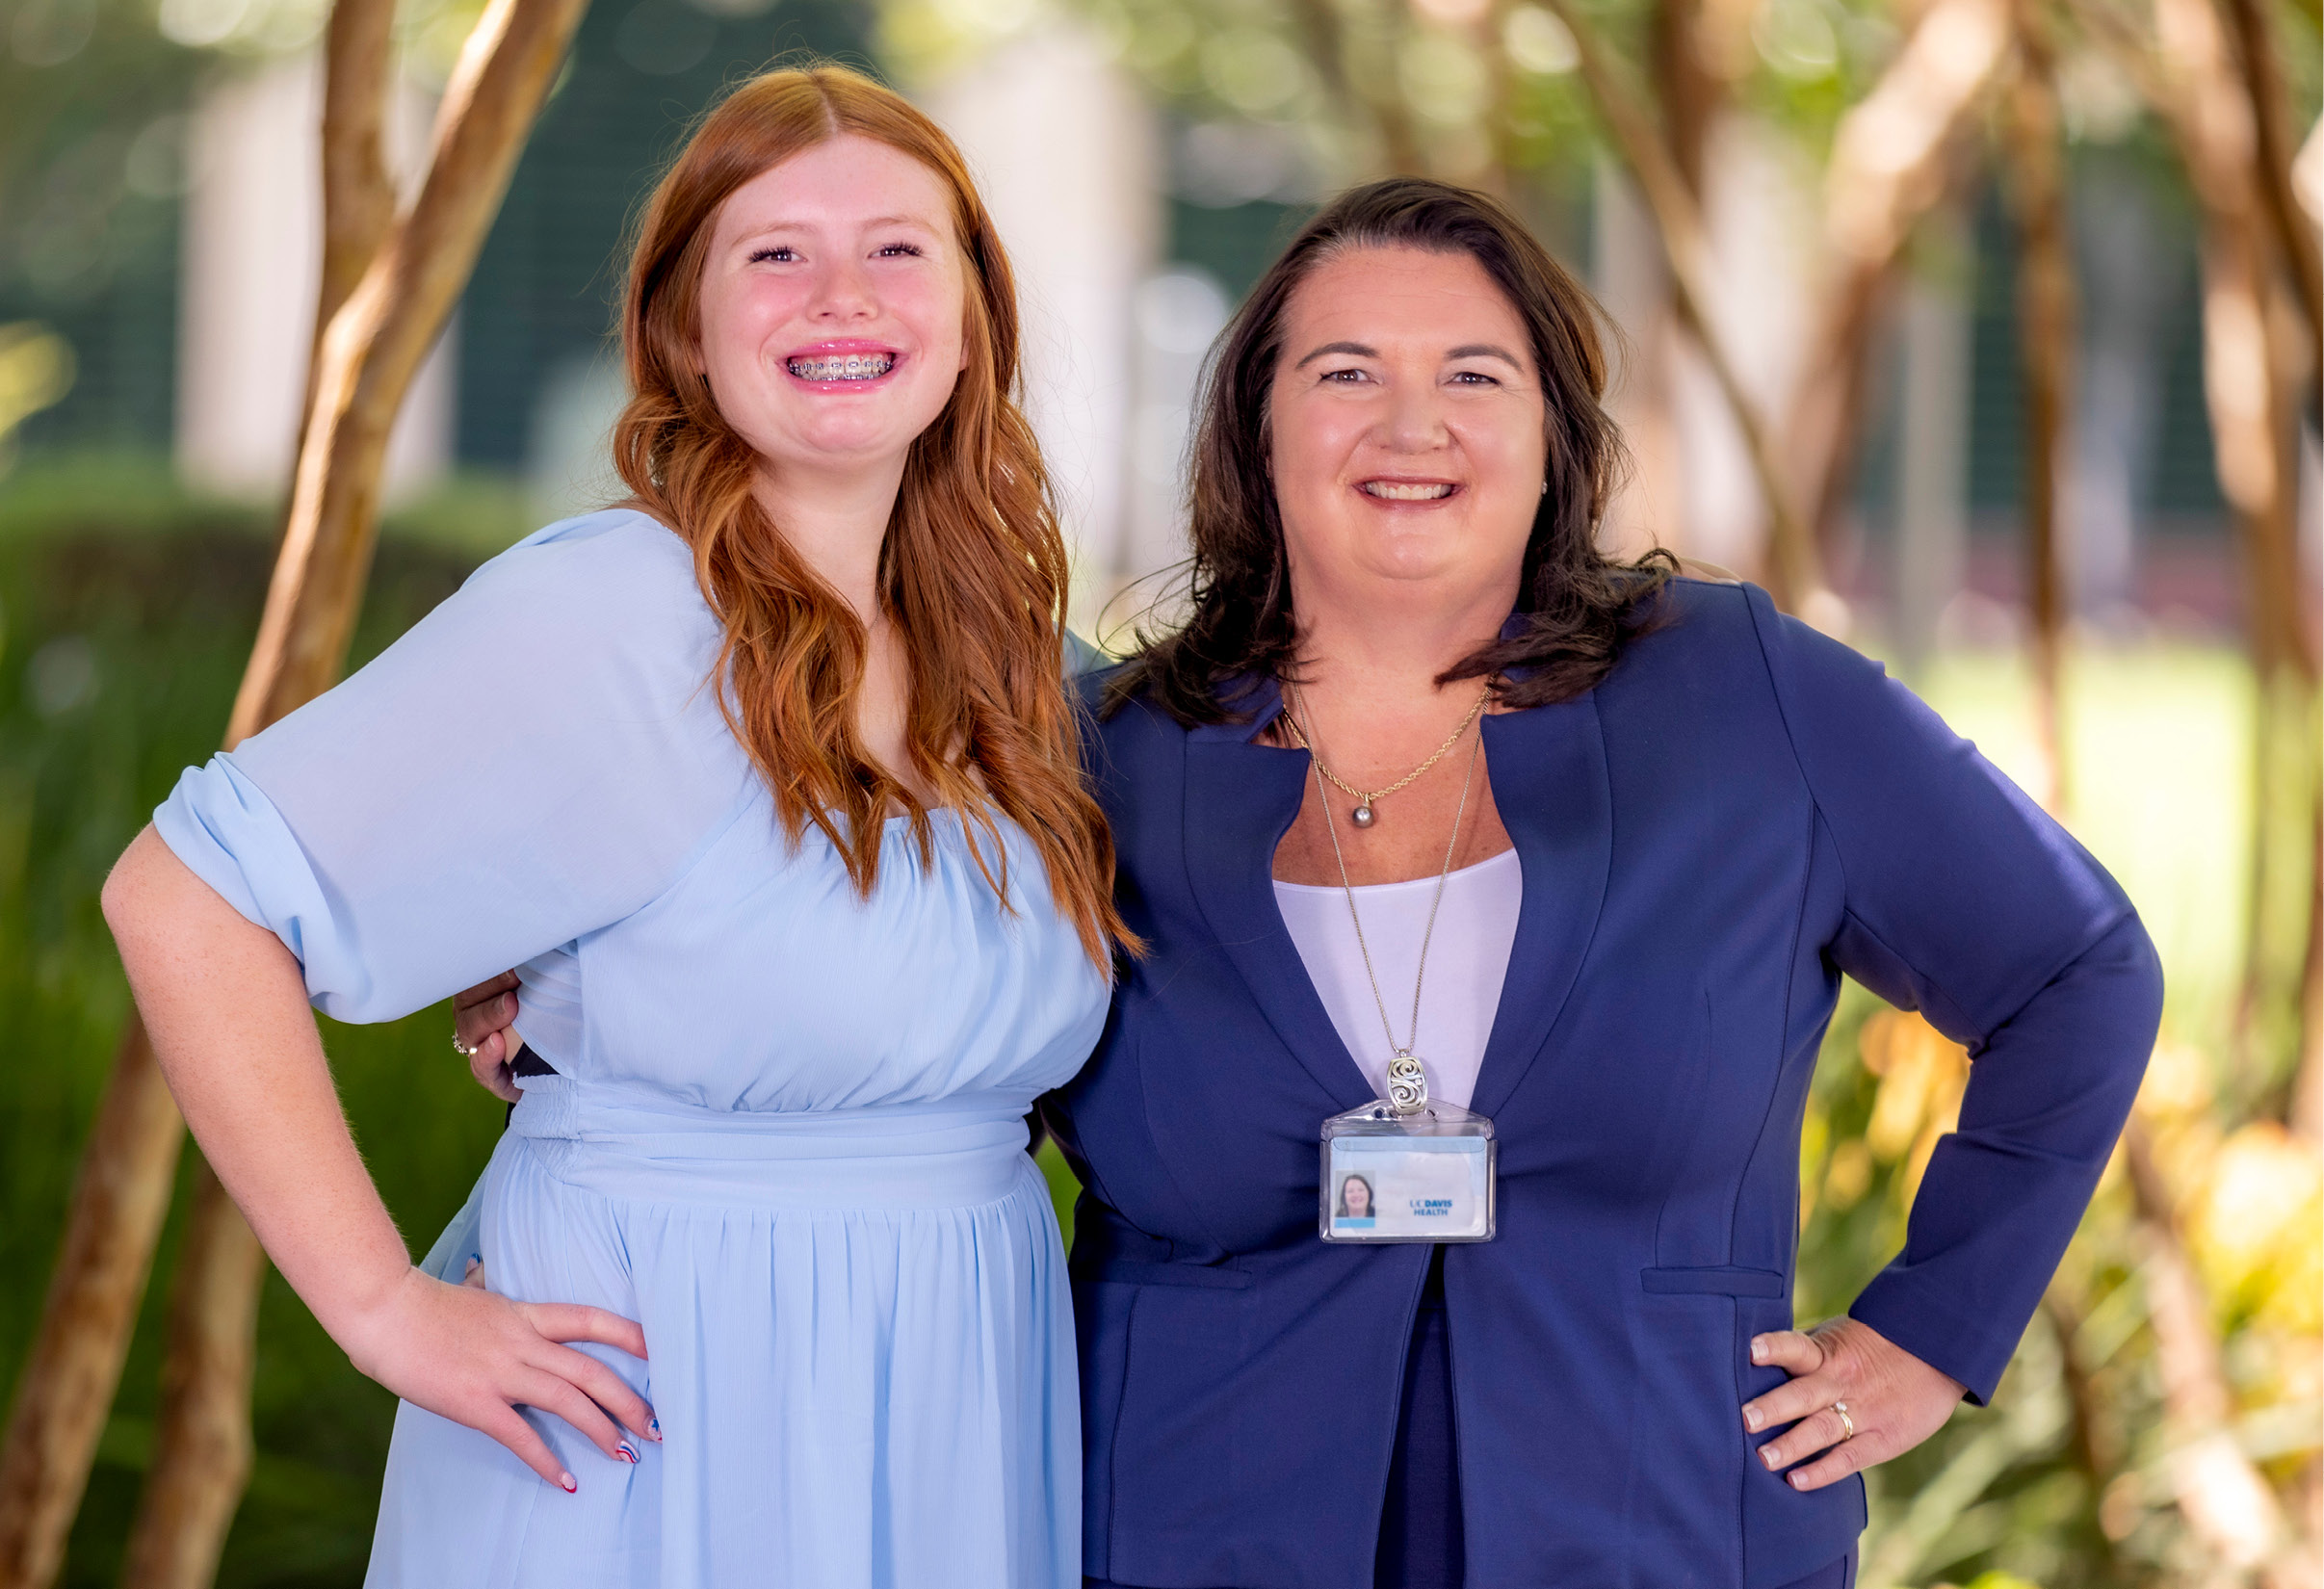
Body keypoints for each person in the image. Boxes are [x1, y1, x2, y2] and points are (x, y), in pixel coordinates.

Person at [459, 178, 2160, 1586]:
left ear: (1554, 436)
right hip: (1193, 1523)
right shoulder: (1095, 748)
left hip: (1656, 1522)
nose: (1409, 424)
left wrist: (1932, 1329)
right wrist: (582, 984)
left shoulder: (1746, 695)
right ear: (1255, 433)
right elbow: (875, 959)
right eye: (1343, 371)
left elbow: (2073, 970)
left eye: (1474, 377)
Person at [101, 65, 1123, 1589]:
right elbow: (185, 897)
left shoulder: (1025, 669)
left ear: (975, 313)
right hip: (656, 1381)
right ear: (683, 332)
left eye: (899, 249)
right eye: (774, 253)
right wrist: (383, 1306)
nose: (841, 292)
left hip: (959, 1378)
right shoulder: (612, 612)